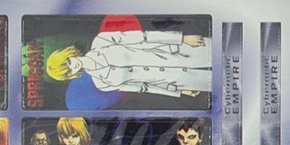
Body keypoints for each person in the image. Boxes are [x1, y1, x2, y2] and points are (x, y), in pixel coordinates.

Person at [45, 30, 210, 98]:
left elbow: (144, 36)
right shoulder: (101, 84)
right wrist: (179, 91)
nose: (72, 66)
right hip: (178, 80)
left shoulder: (101, 41)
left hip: (179, 50)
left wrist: (181, 38)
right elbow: (143, 87)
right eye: (68, 71)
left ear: (69, 53)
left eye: (68, 62)